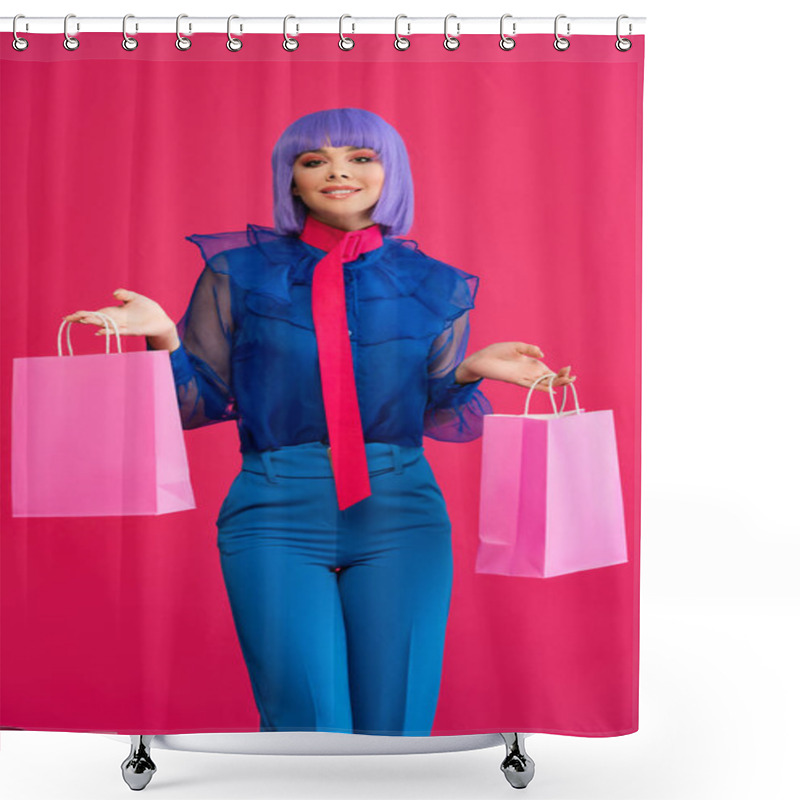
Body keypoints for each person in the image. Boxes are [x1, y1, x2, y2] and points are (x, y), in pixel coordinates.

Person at [63, 108, 576, 736]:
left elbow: (431, 413)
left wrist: (468, 371)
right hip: (275, 510)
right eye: (314, 161)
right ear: (292, 181)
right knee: (306, 724)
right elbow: (197, 403)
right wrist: (166, 339)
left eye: (361, 158)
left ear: (391, 174)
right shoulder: (238, 274)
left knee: (398, 726)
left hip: (400, 513)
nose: (338, 171)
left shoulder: (433, 286)